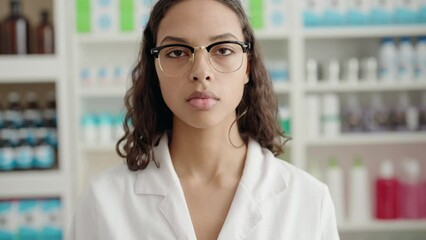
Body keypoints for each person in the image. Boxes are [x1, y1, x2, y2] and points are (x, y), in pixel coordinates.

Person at [69, 0, 340, 239]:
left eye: (222, 50)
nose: (201, 71)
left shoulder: (308, 200)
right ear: (155, 69)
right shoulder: (102, 203)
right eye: (177, 52)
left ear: (247, 65)